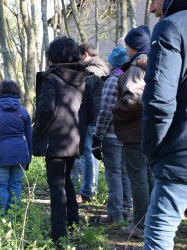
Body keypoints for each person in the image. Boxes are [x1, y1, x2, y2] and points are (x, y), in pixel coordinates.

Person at [142, 1, 187, 249]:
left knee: (160, 231)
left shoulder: (172, 26)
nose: (151, 8)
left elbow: (159, 101)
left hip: (183, 150)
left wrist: (152, 147)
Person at [33, 36, 93, 244]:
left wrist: (38, 133)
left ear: (53, 55)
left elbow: (46, 110)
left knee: (57, 185)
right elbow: (90, 110)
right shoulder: (83, 77)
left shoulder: (51, 78)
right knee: (66, 181)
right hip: (74, 138)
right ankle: (72, 222)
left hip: (55, 141)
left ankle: (58, 234)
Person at [112, 25, 153, 238]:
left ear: (134, 47)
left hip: (136, 132)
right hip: (148, 130)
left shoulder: (136, 68)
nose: (126, 49)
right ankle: (153, 222)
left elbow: (133, 100)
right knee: (148, 176)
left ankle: (140, 225)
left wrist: (115, 113)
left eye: (128, 46)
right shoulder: (152, 63)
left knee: (139, 178)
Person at [92, 46, 132, 224]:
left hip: (112, 135)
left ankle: (115, 214)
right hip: (129, 135)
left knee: (113, 173)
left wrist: (97, 137)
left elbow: (106, 111)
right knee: (125, 173)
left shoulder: (113, 80)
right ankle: (126, 211)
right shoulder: (133, 77)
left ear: (112, 64)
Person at [0, 80, 32, 213]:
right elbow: (30, 138)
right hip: (20, 155)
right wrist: (28, 158)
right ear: (17, 93)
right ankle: (14, 216)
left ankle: (1, 217)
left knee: (1, 187)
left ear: (0, 93)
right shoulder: (23, 111)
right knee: (16, 186)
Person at [72, 43, 108, 203]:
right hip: (98, 116)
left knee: (89, 154)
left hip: (93, 118)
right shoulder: (103, 67)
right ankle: (90, 188)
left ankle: (88, 190)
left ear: (85, 54)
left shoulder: (91, 72)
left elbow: (82, 95)